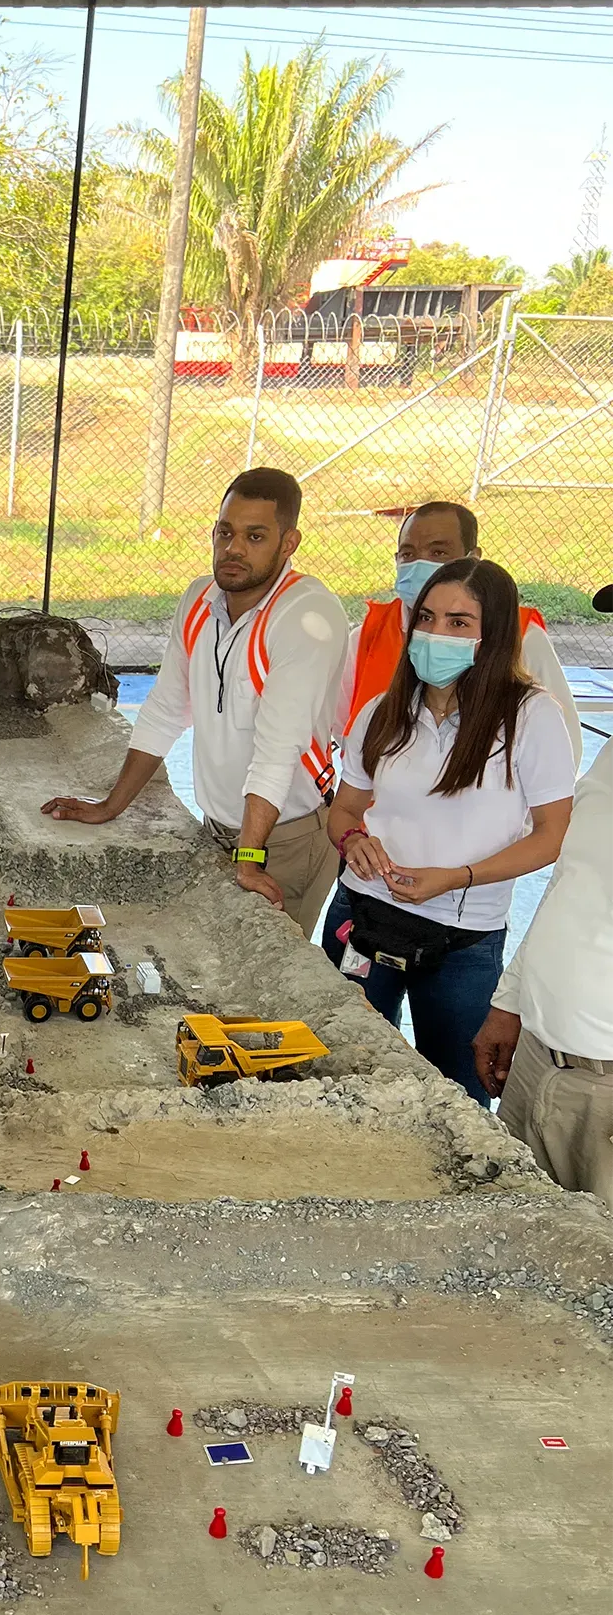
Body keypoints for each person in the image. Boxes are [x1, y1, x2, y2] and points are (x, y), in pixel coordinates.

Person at [42, 469, 347, 938]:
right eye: (225, 532)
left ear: (289, 544)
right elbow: (165, 708)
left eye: (255, 536)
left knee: (261, 981)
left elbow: (277, 748)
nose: (234, 549)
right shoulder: (200, 598)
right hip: (220, 829)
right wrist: (110, 806)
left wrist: (248, 858)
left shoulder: (306, 615)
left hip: (285, 839)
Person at [324, 559, 575, 1105]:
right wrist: (353, 842)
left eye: (460, 623)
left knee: (459, 1094)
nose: (437, 635)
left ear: (495, 634)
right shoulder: (382, 712)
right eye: (428, 618)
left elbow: (554, 834)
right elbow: (344, 810)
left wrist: (460, 877)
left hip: (462, 941)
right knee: (347, 1075)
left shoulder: (531, 718)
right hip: (362, 919)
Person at [473, 728, 613, 1198]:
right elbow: (567, 883)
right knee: (512, 1231)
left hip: (603, 1088)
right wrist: (510, 1002)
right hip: (535, 1059)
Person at [340, 500, 581, 760]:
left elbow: (562, 744)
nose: (420, 564)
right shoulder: (366, 635)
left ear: (472, 557)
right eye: (408, 554)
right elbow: (344, 727)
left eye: (438, 553)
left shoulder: (521, 636)